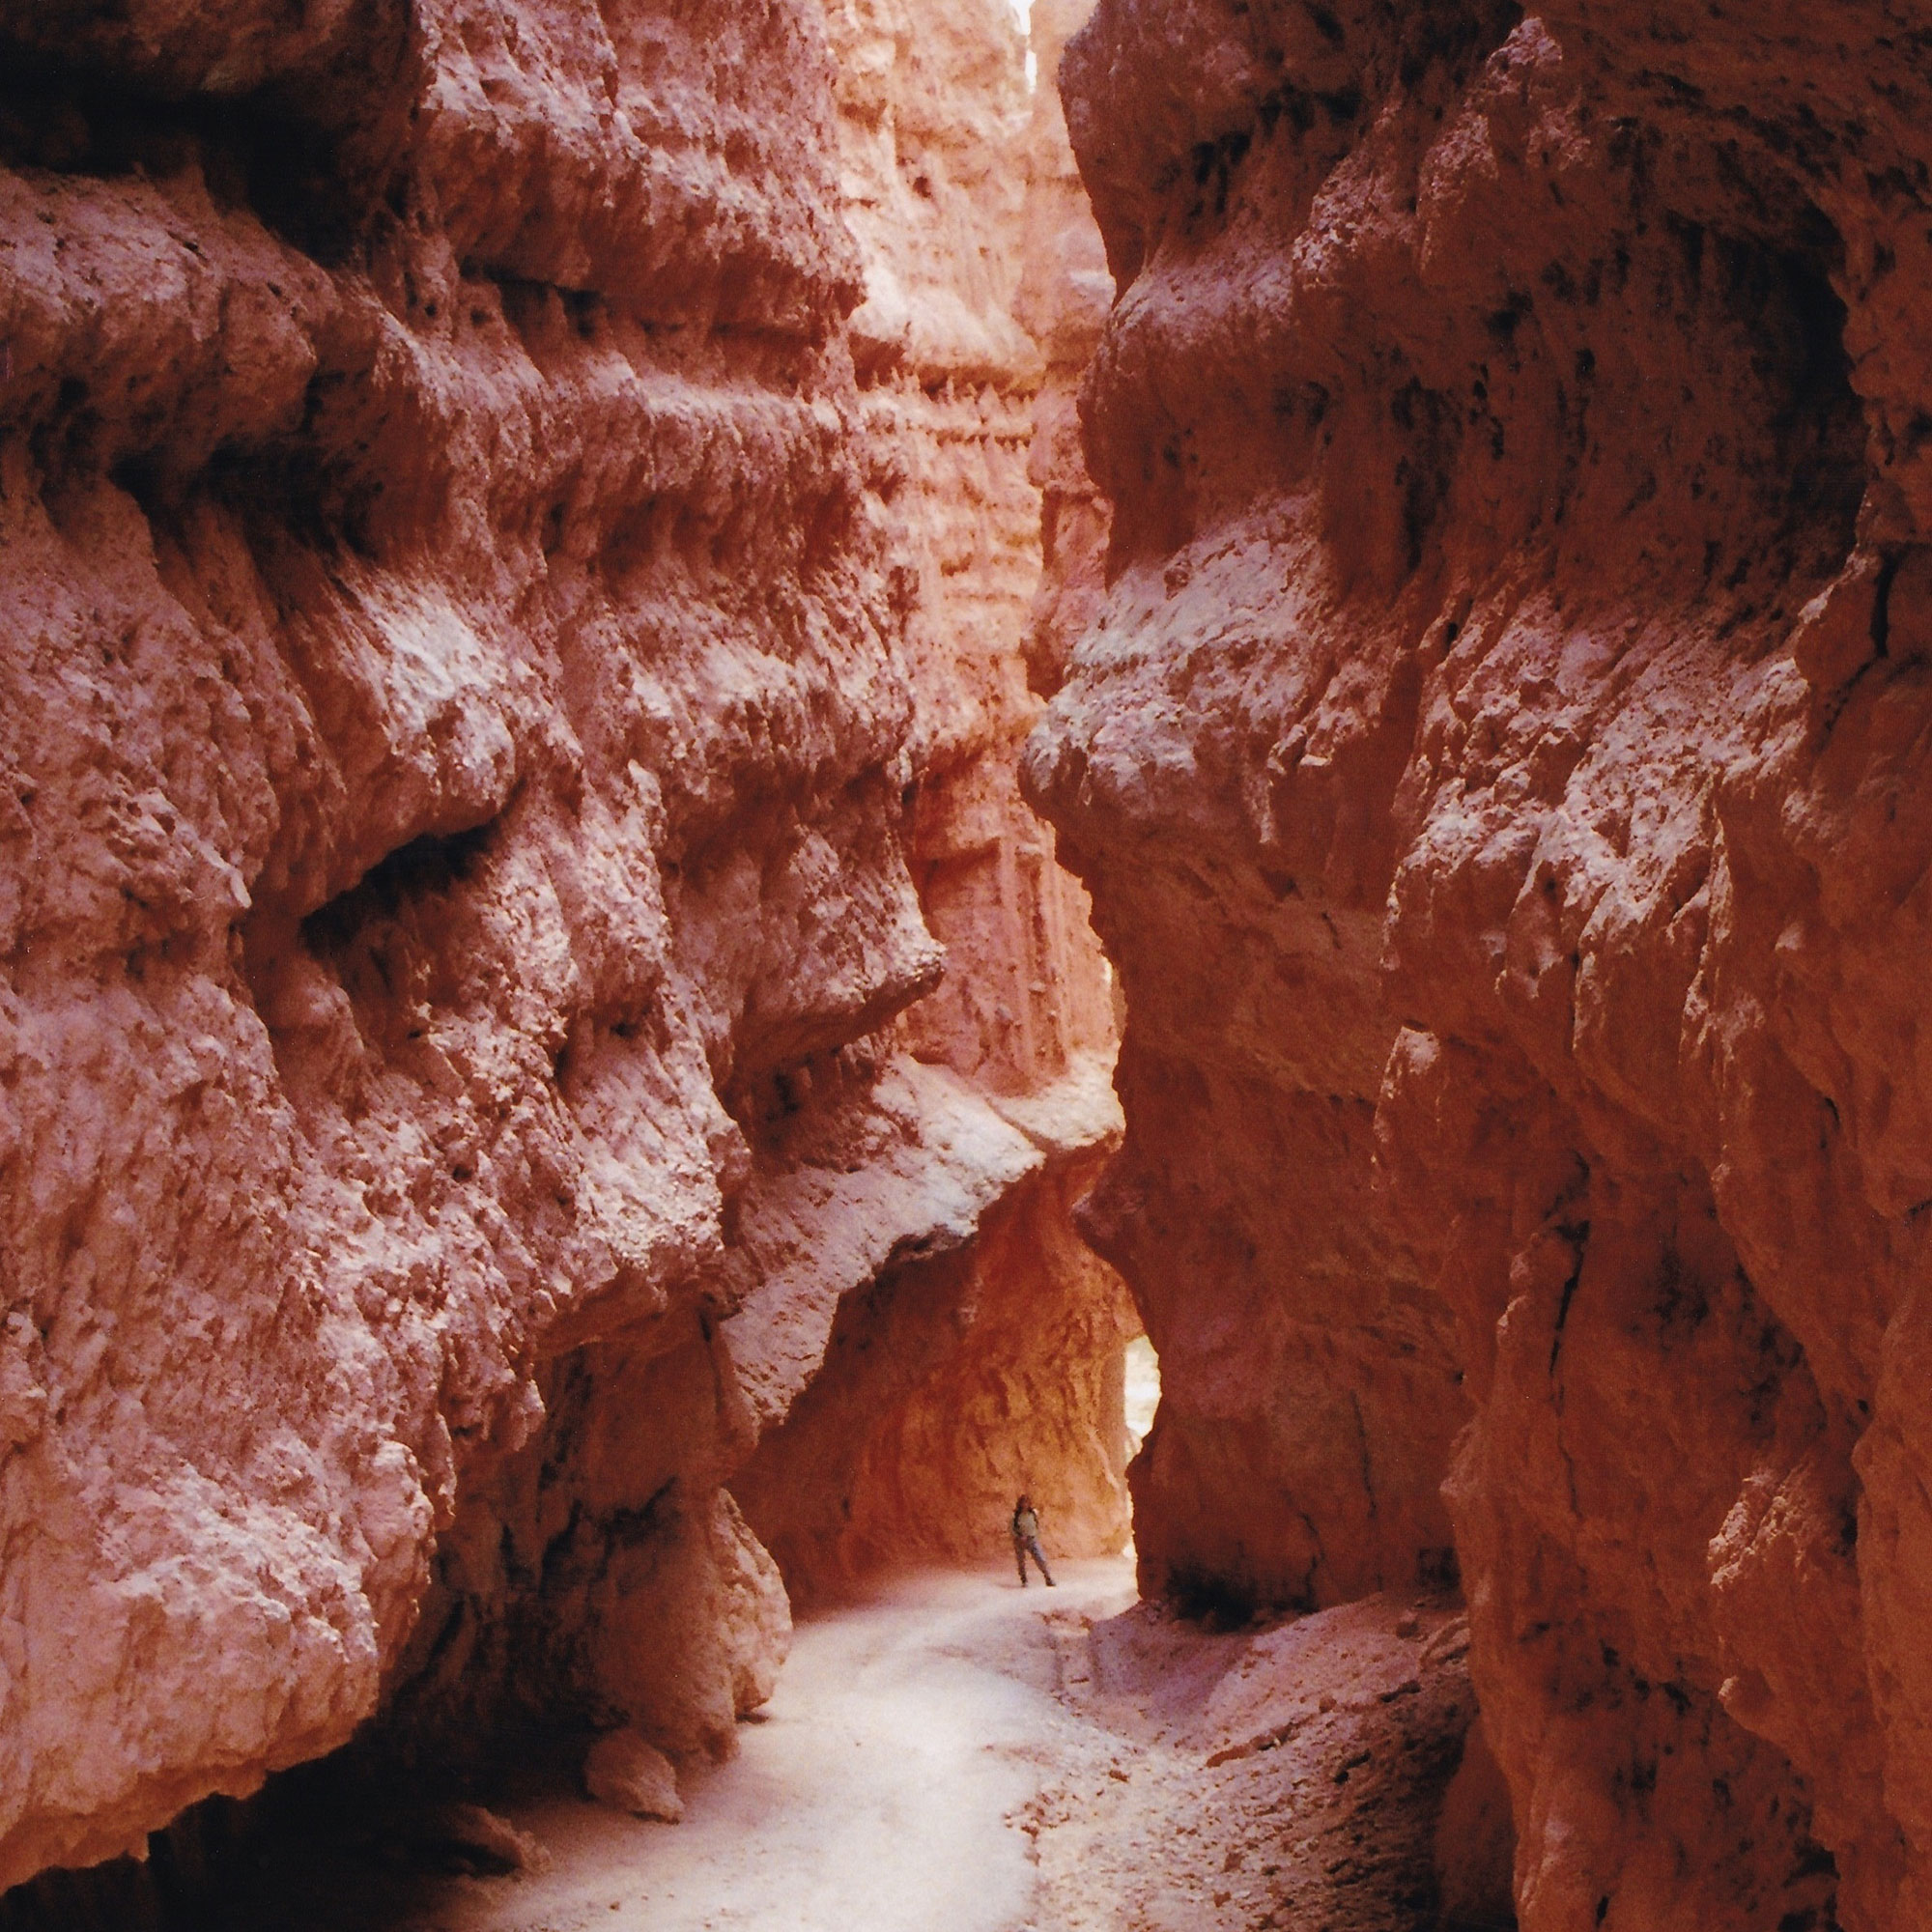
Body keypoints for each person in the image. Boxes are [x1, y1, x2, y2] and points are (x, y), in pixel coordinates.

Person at [1010, 1493, 1055, 1587]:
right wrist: (1019, 1536)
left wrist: (1035, 1534)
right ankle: (1024, 1579)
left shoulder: (1033, 1513)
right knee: (1021, 1561)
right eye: (1023, 1502)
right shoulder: (1015, 1515)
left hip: (1032, 1539)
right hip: (1020, 1541)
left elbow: (1037, 1524)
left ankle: (1048, 1577)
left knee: (1041, 1559)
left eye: (1026, 1502)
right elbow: (1011, 1529)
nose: (1025, 1504)